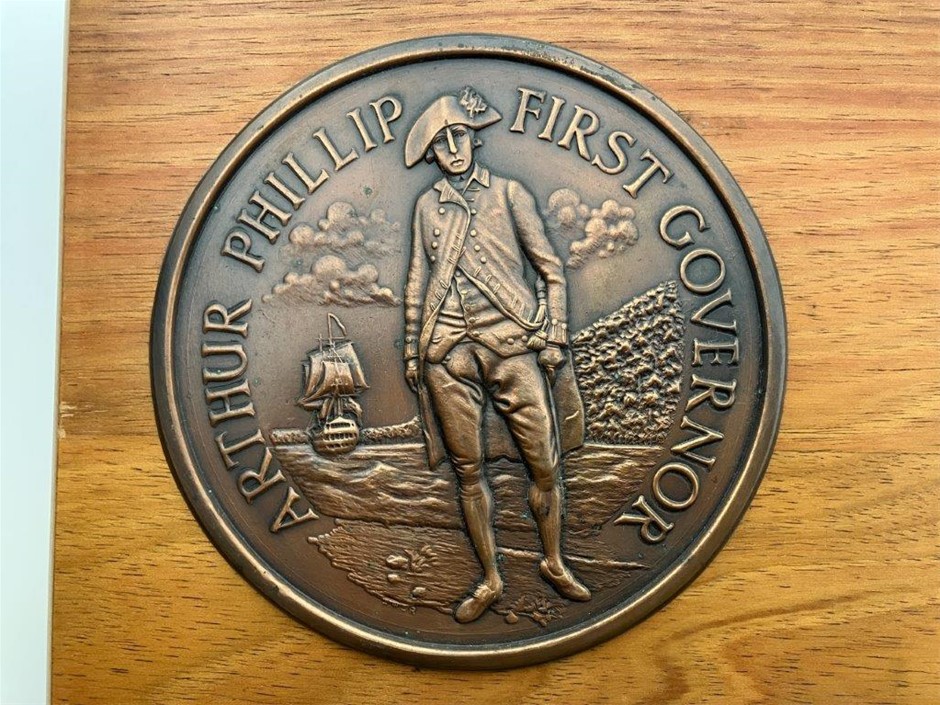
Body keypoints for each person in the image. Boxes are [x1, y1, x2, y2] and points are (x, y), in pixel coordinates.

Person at [402, 87, 591, 623]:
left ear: (474, 138)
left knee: (545, 464)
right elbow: (417, 279)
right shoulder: (426, 207)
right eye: (441, 144)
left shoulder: (509, 193)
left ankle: (553, 561)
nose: (452, 149)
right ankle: (489, 577)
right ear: (432, 155)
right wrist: (414, 348)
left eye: (458, 136)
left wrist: (554, 336)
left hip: (512, 343)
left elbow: (550, 270)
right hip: (446, 354)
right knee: (467, 472)